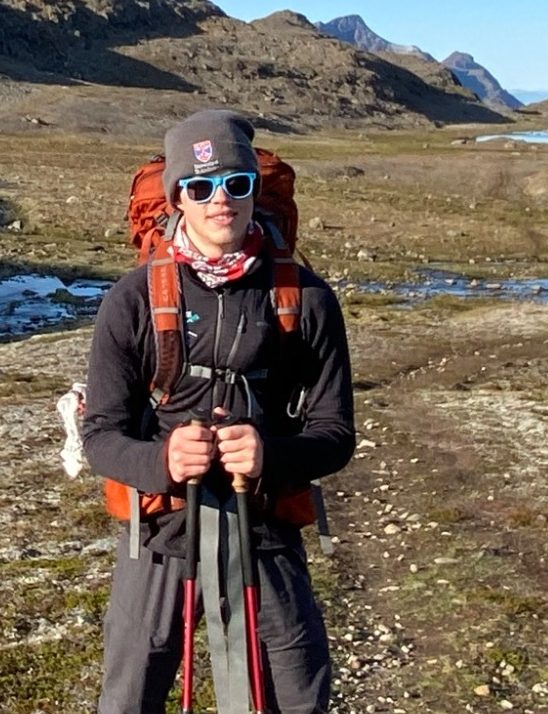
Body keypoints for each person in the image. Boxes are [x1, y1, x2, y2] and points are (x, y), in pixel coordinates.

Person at [82, 109, 355, 714]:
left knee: (298, 696)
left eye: (236, 182)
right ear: (177, 197)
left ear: (255, 188)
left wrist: (270, 455)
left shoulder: (307, 299)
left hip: (265, 525)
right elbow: (100, 434)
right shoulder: (130, 301)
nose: (220, 200)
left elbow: (335, 433)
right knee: (129, 698)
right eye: (200, 186)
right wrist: (161, 461)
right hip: (159, 532)